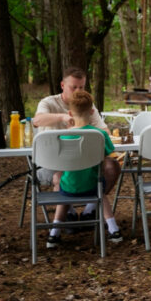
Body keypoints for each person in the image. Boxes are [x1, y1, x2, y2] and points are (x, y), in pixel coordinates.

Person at [33, 67, 119, 218]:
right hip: (52, 162)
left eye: (81, 87)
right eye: (74, 87)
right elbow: (37, 120)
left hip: (85, 162)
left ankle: (90, 210)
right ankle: (68, 215)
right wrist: (62, 117)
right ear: (62, 85)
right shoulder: (49, 102)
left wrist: (82, 127)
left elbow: (105, 132)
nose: (78, 91)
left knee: (113, 167)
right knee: (60, 175)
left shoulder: (87, 105)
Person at [46, 90, 124, 248]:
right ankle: (114, 230)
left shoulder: (62, 136)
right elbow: (111, 156)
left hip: (68, 187)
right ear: (92, 111)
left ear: (69, 113)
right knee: (101, 194)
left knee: (63, 189)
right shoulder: (100, 134)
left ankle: (53, 235)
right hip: (92, 187)